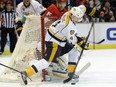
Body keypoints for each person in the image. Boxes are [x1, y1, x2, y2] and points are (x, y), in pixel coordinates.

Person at [19, 5, 88, 85]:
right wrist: (82, 43)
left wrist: (87, 10)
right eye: (78, 18)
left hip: (57, 38)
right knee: (47, 62)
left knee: (74, 50)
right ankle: (26, 73)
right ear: (74, 16)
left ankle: (70, 72)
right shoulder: (70, 26)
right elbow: (72, 41)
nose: (79, 20)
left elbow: (81, 7)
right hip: (54, 42)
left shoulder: (68, 13)